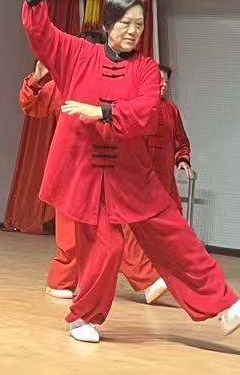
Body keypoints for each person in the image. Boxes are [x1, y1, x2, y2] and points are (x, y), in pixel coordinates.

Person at [12, 0, 240, 344]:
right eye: (125, 23)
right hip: (87, 175)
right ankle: (84, 318)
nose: (132, 31)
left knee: (176, 236)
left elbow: (146, 111)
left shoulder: (145, 68)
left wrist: (102, 112)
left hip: (131, 175)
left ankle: (224, 306)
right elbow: (43, 35)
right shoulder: (79, 54)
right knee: (106, 247)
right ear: (108, 23)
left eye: (139, 25)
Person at [19, 43, 168, 305]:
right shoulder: (64, 86)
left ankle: (146, 278)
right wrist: (36, 80)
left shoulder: (118, 83)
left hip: (108, 166)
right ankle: (61, 281)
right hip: (73, 167)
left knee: (118, 223)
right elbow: (33, 106)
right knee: (71, 230)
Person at [150, 64, 193, 210]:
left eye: (166, 82)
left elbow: (181, 141)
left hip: (165, 181)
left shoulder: (171, 109)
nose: (164, 85)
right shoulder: (134, 106)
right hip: (139, 182)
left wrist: (183, 159)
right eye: (160, 80)